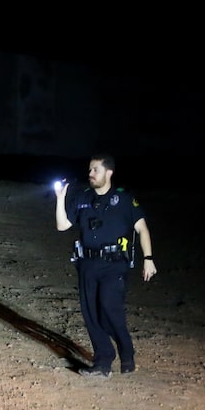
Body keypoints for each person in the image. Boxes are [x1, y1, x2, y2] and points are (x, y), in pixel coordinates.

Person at [55, 153, 156, 377]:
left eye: (95, 170)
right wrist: (61, 198)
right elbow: (62, 226)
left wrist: (148, 259)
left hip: (114, 265)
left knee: (109, 309)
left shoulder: (124, 199)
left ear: (108, 172)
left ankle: (126, 350)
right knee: (91, 314)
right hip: (87, 264)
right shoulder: (83, 198)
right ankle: (102, 363)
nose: (90, 174)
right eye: (89, 170)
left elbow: (142, 229)